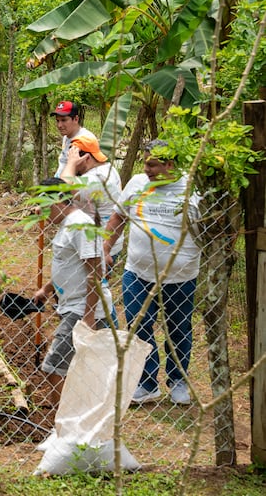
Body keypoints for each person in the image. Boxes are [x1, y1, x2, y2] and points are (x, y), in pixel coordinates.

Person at [104, 140, 200, 406]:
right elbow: (118, 217)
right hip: (137, 273)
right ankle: (146, 384)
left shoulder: (193, 189)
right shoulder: (136, 184)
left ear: (170, 164)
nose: (145, 168)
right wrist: (106, 249)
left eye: (152, 164)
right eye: (144, 162)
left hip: (180, 277)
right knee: (138, 326)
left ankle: (178, 381)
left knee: (178, 329)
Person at [32, 177, 113, 406]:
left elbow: (96, 270)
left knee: (53, 366)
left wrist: (88, 316)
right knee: (77, 367)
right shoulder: (68, 224)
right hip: (74, 306)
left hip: (83, 309)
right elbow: (72, 265)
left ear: (58, 201)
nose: (40, 210)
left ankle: (65, 419)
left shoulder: (80, 225)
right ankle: (74, 415)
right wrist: (47, 289)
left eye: (43, 204)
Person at [58, 133, 124, 264]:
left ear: (86, 158)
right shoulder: (107, 168)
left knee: (89, 282)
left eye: (74, 159)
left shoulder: (96, 179)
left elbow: (62, 187)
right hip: (97, 241)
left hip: (98, 247)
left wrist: (71, 163)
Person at [50, 100, 98, 178]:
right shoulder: (66, 136)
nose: (59, 125)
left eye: (64, 120)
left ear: (76, 119)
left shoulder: (85, 140)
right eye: (57, 121)